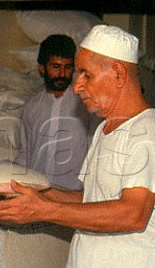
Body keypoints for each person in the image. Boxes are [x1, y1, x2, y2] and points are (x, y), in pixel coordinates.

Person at [0, 25, 155, 268]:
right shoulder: (105, 130)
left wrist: (44, 210)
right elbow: (91, 199)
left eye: (85, 74)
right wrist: (38, 192)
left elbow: (132, 213)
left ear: (118, 74)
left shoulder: (147, 133)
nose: (76, 86)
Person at [15, 34, 99, 191]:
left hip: (73, 195)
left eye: (67, 67)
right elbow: (25, 154)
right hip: (38, 194)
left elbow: (96, 151)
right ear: (42, 68)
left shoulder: (85, 104)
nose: (62, 74)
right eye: (55, 67)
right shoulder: (32, 107)